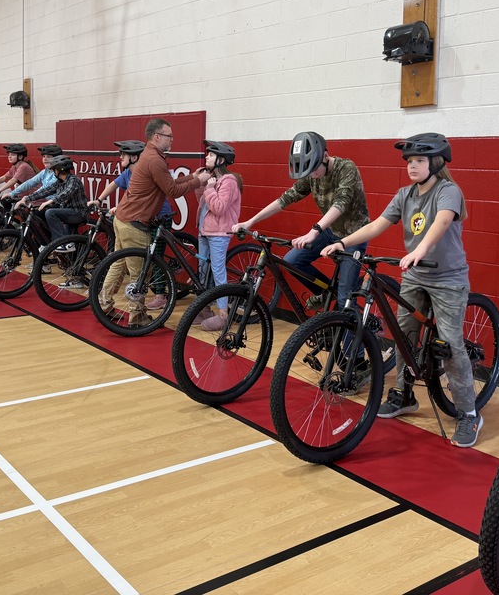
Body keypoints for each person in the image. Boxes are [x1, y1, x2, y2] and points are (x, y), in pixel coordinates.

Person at [322, 133, 482, 448]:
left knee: (450, 345)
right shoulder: (404, 194)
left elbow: (442, 222)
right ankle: (404, 394)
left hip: (448, 278)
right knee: (402, 334)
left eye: (419, 161)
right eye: (409, 161)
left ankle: (469, 415)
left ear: (436, 162)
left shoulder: (448, 191)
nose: (412, 166)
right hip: (415, 275)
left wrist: (419, 249)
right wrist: (342, 241)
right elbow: (377, 225)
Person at [233, 131, 371, 312]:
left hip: (355, 235)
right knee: (292, 261)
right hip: (331, 230)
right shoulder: (312, 174)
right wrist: (250, 222)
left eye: (314, 170)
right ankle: (326, 292)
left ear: (325, 156)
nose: (312, 175)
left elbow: (341, 203)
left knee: (346, 299)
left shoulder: (346, 168)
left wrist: (314, 231)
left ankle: (354, 338)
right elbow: (285, 199)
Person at [96, 118, 211, 327]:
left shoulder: (150, 156)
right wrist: (198, 182)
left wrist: (191, 177)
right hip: (135, 223)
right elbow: (173, 191)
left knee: (118, 264)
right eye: (169, 136)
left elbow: (169, 183)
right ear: (157, 137)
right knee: (140, 273)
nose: (172, 139)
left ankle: (103, 304)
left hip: (122, 219)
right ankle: (136, 316)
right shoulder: (155, 160)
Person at [193, 140, 243, 330]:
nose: (207, 157)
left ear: (221, 160)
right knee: (203, 271)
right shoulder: (215, 180)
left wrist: (210, 188)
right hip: (205, 230)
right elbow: (203, 202)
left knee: (218, 272)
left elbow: (219, 208)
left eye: (211, 155)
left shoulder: (229, 181)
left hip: (219, 233)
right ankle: (204, 309)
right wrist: (202, 183)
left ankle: (223, 315)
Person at [14, 154, 88, 248]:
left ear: (58, 170)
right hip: (67, 211)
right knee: (38, 213)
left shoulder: (74, 180)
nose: (53, 172)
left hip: (78, 213)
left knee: (50, 213)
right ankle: (45, 244)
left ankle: (63, 243)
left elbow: (66, 193)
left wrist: (51, 201)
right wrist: (26, 198)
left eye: (53, 170)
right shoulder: (60, 182)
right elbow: (46, 191)